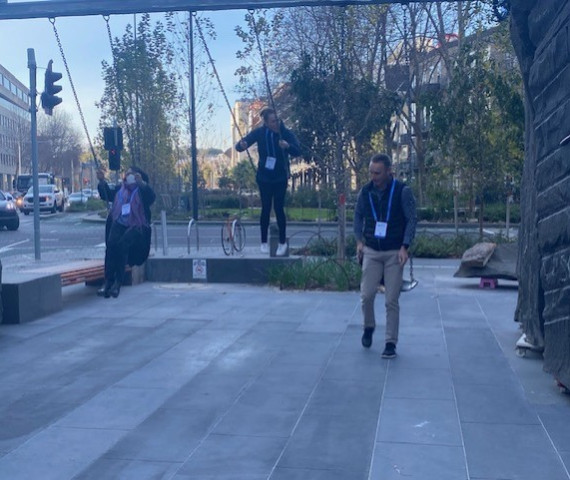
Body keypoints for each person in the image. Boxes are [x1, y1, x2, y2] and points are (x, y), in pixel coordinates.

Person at [354, 153, 417, 358]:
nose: (374, 176)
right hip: (371, 250)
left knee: (391, 300)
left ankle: (390, 342)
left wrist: (404, 247)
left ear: (388, 171)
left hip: (393, 251)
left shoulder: (402, 191)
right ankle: (369, 326)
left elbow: (411, 220)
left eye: (378, 173)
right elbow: (357, 216)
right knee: (366, 295)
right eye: (371, 172)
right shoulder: (365, 192)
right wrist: (359, 241)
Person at [235, 107, 301, 256]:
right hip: (264, 176)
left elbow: (298, 150)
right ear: (265, 122)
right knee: (265, 207)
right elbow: (240, 145)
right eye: (272, 121)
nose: (275, 124)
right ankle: (263, 241)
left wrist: (287, 146)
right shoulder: (260, 133)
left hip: (280, 175)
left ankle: (282, 242)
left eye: (277, 120)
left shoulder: (285, 132)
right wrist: (241, 145)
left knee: (278, 207)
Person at [96, 166, 156, 298]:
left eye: (131, 174)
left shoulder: (141, 190)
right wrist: (102, 181)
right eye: (127, 173)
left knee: (122, 245)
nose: (128, 176)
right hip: (120, 222)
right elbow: (107, 194)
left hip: (136, 225)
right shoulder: (120, 189)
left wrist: (142, 183)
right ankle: (108, 281)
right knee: (111, 246)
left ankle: (118, 283)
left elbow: (151, 197)